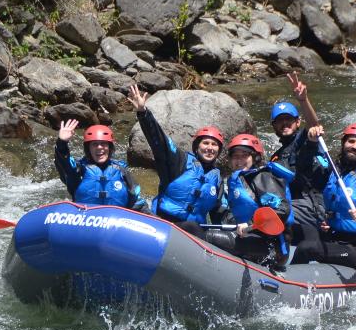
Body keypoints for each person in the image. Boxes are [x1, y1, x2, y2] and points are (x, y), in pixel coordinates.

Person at [127, 85, 224, 234]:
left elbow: (220, 213)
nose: (210, 148)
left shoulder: (216, 180)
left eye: (214, 145)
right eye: (205, 143)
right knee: (192, 227)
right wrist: (143, 113)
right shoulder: (180, 161)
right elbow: (159, 141)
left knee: (196, 229)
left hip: (194, 236)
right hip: (164, 225)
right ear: (197, 147)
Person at [293, 123, 356, 269]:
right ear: (343, 143)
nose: (355, 146)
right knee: (291, 229)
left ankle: (290, 284)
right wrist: (311, 144)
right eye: (351, 141)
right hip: (331, 234)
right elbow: (303, 170)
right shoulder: (333, 168)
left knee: (306, 249)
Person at [204, 134, 293, 270]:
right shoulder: (237, 181)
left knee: (209, 237)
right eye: (235, 156)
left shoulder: (263, 177)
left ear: (255, 157)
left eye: (244, 155)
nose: (239, 160)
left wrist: (251, 224)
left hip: (270, 247)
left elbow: (281, 210)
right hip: (247, 238)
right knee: (196, 230)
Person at [269, 73, 331, 245]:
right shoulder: (276, 156)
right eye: (280, 121)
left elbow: (314, 126)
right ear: (274, 126)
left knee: (275, 212)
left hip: (310, 204)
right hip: (291, 202)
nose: (285, 124)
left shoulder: (304, 139)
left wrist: (303, 100)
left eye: (289, 119)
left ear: (297, 122)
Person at [54, 119, 147, 211]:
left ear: (110, 148)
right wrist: (62, 143)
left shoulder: (121, 170)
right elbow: (64, 162)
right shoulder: (78, 170)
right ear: (88, 149)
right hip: (85, 220)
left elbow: (137, 202)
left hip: (116, 222)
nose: (99, 147)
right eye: (94, 144)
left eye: (103, 144)